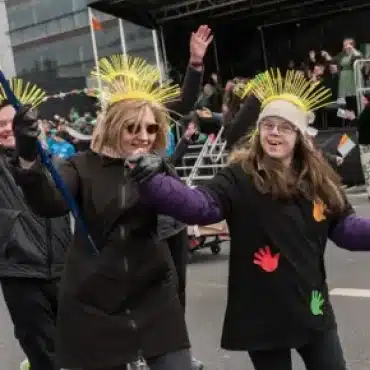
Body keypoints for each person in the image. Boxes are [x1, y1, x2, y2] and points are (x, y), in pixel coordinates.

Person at [128, 69, 370, 370]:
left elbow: (345, 228)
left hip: (312, 306)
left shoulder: (319, 180)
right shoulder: (239, 176)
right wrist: (154, 178)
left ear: (299, 136)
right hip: (261, 313)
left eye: (284, 127)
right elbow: (200, 206)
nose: (274, 133)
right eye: (268, 125)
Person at [10, 53, 207, 370]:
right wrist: (28, 158)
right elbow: (49, 203)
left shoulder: (155, 166)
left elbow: (188, 206)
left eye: (151, 128)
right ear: (114, 125)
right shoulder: (81, 166)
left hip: (153, 294)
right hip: (94, 299)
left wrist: (165, 174)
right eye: (132, 127)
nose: (143, 136)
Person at [0, 79, 71, 370]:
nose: (6, 128)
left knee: (79, 349)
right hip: (21, 273)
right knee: (45, 355)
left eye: (12, 122)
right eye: (1, 124)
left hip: (66, 269)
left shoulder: (55, 160)